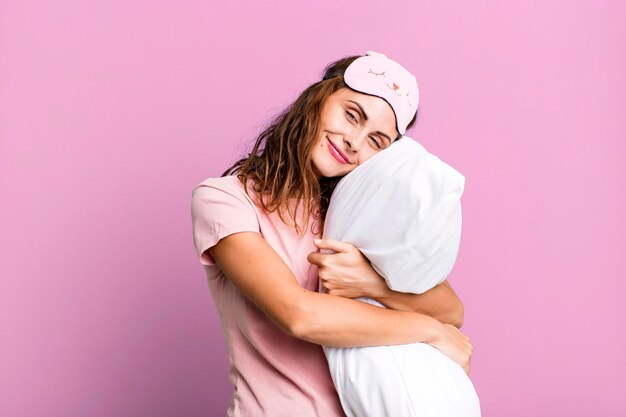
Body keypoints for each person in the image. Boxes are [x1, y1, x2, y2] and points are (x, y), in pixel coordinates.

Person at [190, 50, 472, 417]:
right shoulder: (225, 200)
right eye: (351, 115)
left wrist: (372, 283)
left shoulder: (360, 214)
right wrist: (430, 331)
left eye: (377, 141)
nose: (355, 141)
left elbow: (451, 308)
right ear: (319, 99)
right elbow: (298, 314)